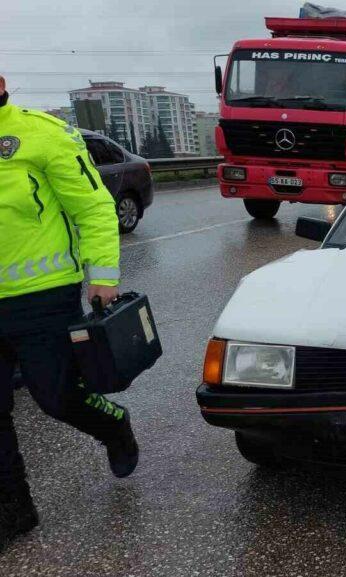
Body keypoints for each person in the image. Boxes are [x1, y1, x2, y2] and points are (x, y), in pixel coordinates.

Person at [0, 75, 139, 552]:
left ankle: (112, 425)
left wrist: (103, 276)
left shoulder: (43, 134)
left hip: (42, 296)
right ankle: (13, 514)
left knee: (56, 398)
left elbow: (96, 208)